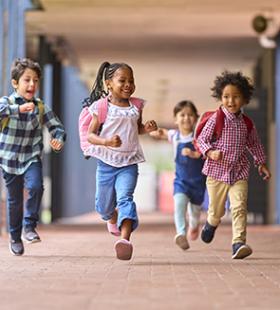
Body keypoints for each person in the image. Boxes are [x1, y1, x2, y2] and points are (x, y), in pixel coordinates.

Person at [87, 61, 157, 260]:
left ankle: (125, 240)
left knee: (125, 198)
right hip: (106, 163)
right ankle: (111, 216)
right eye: (122, 80)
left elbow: (137, 128)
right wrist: (106, 141)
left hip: (129, 163)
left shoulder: (136, 105)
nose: (128, 85)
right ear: (109, 83)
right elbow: (91, 135)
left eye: (131, 81)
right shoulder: (101, 107)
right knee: (103, 206)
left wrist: (147, 129)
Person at [197, 70, 271, 259]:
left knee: (239, 207)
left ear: (244, 99)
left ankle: (238, 242)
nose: (231, 101)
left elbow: (254, 143)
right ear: (220, 97)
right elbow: (202, 139)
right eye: (226, 97)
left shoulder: (247, 123)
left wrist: (261, 163)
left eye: (236, 97)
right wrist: (211, 152)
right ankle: (212, 222)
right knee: (217, 210)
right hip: (216, 173)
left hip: (239, 172)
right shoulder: (216, 118)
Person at [0, 58, 66, 256]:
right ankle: (14, 237)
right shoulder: (7, 102)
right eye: (27, 80)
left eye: (35, 80)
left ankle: (29, 227)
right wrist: (17, 110)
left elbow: (58, 128)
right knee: (14, 200)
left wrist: (58, 139)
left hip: (31, 157)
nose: (32, 85)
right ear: (15, 83)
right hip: (9, 159)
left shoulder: (40, 107)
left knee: (36, 186)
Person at [150, 100, 206, 250]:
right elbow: (161, 132)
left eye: (190, 115)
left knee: (194, 213)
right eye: (182, 115)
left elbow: (206, 153)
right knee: (179, 205)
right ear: (176, 119)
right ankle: (180, 233)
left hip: (198, 183)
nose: (186, 118)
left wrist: (194, 153)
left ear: (195, 118)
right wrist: (151, 130)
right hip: (181, 181)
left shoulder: (199, 137)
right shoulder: (174, 136)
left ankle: (194, 226)